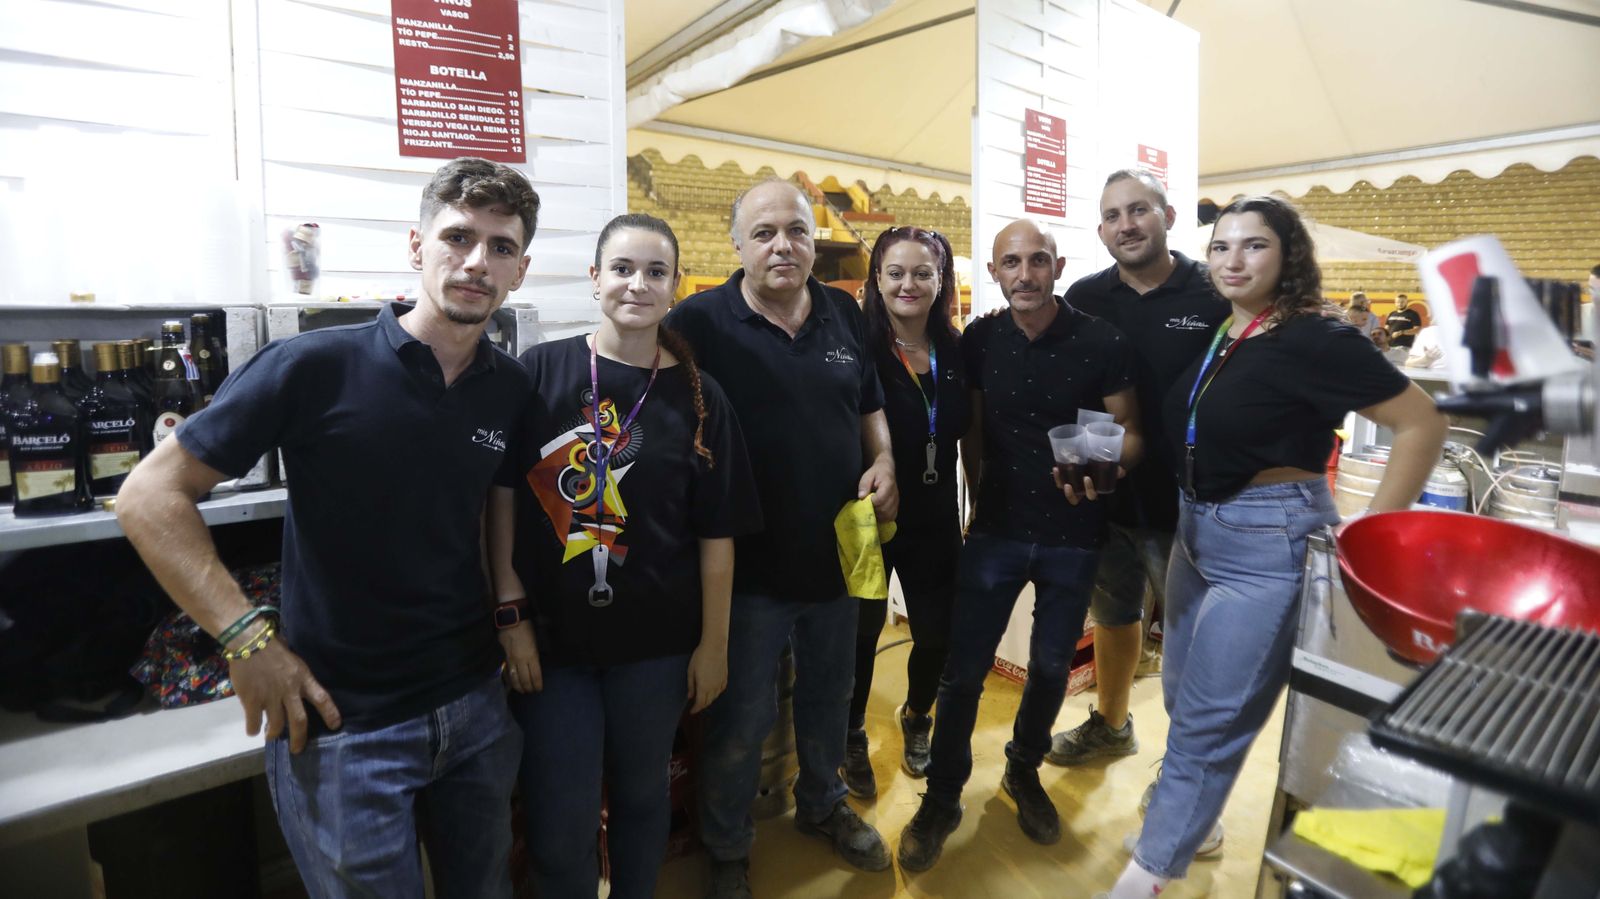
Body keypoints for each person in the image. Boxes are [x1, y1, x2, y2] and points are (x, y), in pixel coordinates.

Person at [116, 157, 541, 897]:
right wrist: (245, 638)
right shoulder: (313, 365)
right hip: (346, 724)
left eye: (500, 246)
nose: (477, 261)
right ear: (418, 247)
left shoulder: (508, 386)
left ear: (521, 270)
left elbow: (488, 514)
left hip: (476, 707)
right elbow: (148, 496)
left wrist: (511, 620)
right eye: (458, 237)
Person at [1097, 196, 1447, 899]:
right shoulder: (1232, 328)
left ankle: (1148, 874)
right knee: (1183, 694)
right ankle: (1191, 828)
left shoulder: (1317, 337)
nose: (1233, 260)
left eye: (1253, 245)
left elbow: (1422, 424)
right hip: (1198, 533)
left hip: (1267, 543)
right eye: (1221, 246)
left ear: (1288, 256)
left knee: (1207, 719)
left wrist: (1366, 538)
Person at [486, 214, 763, 898]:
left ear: (675, 286)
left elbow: (717, 536)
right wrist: (510, 613)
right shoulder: (539, 372)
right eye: (622, 268)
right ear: (595, 278)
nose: (638, 284)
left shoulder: (701, 397)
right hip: (553, 646)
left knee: (643, 799)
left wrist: (715, 646)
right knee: (560, 821)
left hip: (657, 649)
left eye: (655, 272)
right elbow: (502, 499)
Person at [663, 178, 899, 896]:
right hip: (742, 570)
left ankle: (822, 804)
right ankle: (727, 843)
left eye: (796, 230)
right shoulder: (697, 323)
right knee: (741, 719)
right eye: (763, 233)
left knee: (831, 695)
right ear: (737, 243)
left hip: (837, 555)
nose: (782, 246)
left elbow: (868, 403)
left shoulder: (842, 311)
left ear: (813, 240)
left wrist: (885, 459)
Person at [897, 219, 1141, 872]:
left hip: (1074, 534)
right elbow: (972, 431)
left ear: (1057, 266)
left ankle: (1023, 769)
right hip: (997, 532)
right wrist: (977, 504)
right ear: (995, 273)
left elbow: (1130, 429)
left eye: (1038, 261)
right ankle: (942, 795)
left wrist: (1106, 469)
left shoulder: (1102, 341)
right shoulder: (981, 339)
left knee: (1051, 668)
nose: (1025, 274)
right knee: (963, 672)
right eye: (1012, 262)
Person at [1047, 170, 1227, 772]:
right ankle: (1112, 724)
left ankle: (1188, 769)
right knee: (1114, 616)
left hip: (1189, 504)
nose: (1126, 225)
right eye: (1112, 216)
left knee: (1191, 638)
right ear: (1100, 230)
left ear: (1168, 217)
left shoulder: (1213, 292)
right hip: (1108, 497)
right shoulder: (1085, 297)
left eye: (1138, 210)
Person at [840, 227, 972, 798]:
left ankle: (917, 715)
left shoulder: (956, 350)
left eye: (923, 273)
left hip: (936, 517)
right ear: (877, 279)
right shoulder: (857, 347)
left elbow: (973, 434)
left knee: (938, 635)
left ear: (942, 280)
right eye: (895, 273)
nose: (908, 284)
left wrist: (979, 504)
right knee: (862, 634)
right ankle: (850, 731)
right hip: (872, 514)